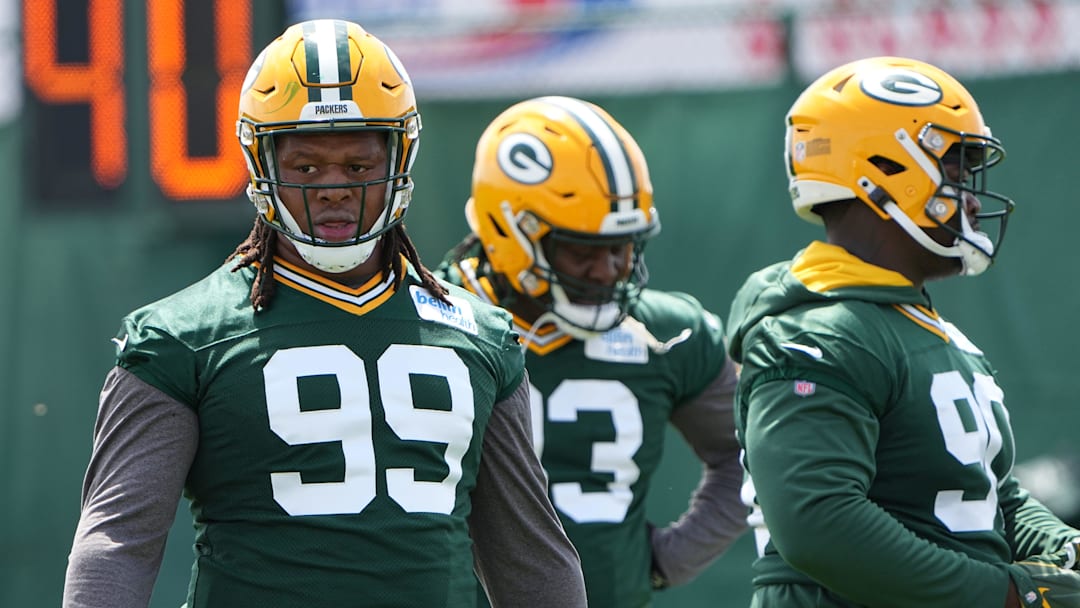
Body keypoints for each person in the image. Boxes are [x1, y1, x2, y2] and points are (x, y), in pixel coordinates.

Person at [62, 20, 587, 608]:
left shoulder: (482, 339)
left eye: (358, 167)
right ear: (262, 164)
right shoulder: (182, 339)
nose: (334, 187)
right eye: (307, 167)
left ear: (400, 157)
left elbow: (530, 557)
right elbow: (120, 542)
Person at [726, 56, 1080, 607]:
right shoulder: (819, 331)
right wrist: (1011, 595)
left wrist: (1063, 547)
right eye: (955, 173)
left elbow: (990, 494)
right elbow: (820, 523)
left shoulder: (921, 325)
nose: (970, 198)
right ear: (884, 171)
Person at [436, 95, 747, 607]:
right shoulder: (433, 326)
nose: (607, 271)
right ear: (510, 234)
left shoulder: (668, 334)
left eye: (621, 247)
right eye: (582, 250)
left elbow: (748, 456)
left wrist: (667, 560)